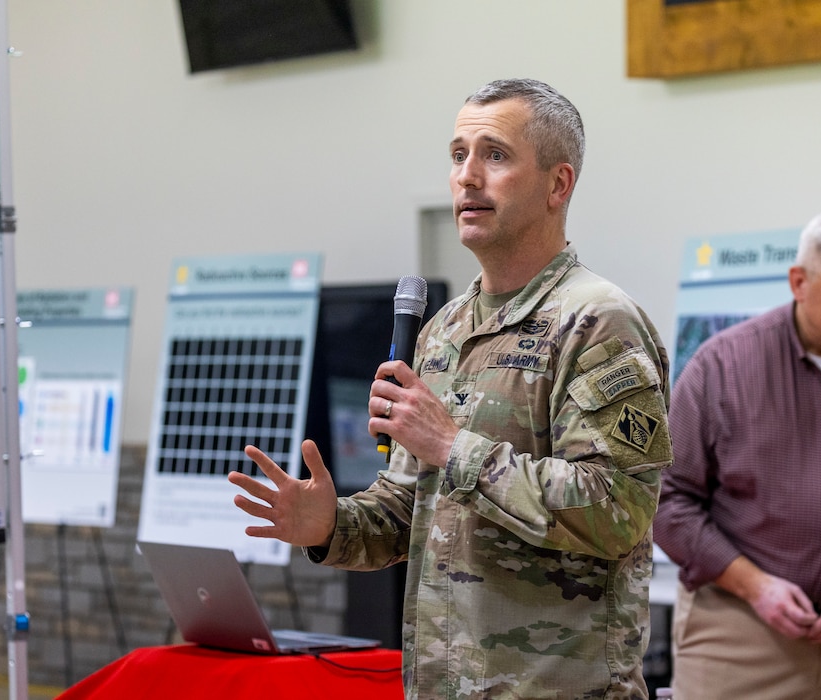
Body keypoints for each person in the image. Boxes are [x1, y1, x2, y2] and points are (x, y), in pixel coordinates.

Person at [229, 78, 672, 699]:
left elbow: (618, 512)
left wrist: (453, 447)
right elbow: (408, 509)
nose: (467, 176)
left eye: (494, 154)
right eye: (458, 154)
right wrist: (329, 525)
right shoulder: (442, 330)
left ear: (557, 184)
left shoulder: (597, 321)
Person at [654, 209, 821, 699]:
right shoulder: (721, 367)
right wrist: (754, 587)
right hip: (740, 632)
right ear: (799, 282)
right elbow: (665, 497)